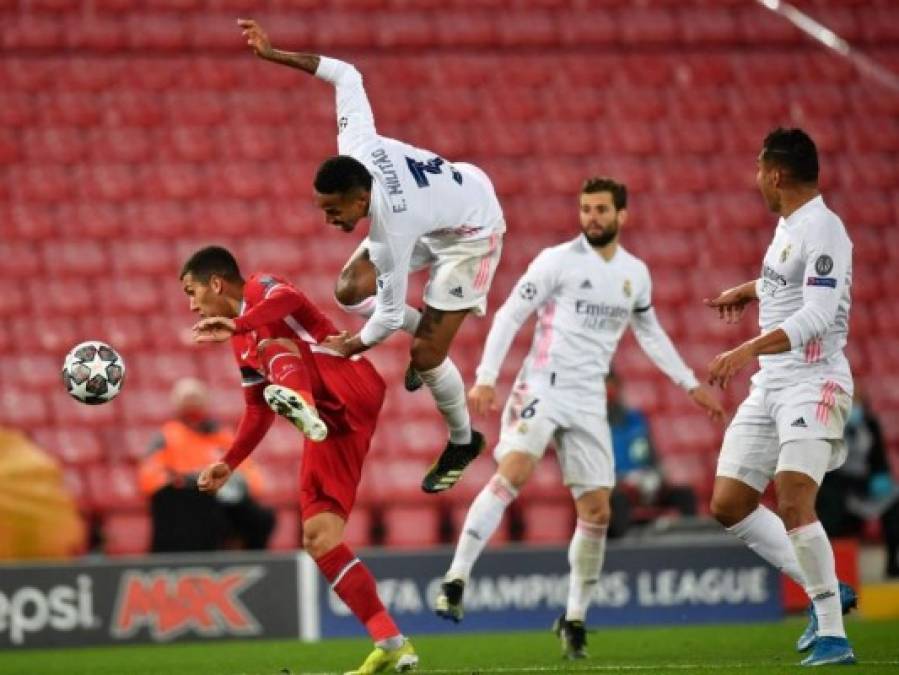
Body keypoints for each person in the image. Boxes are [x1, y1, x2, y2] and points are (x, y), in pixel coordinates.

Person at [433, 177, 724, 660]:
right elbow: (509, 314)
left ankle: (573, 619)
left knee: (598, 512)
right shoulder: (556, 261)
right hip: (543, 385)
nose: (591, 217)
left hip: (590, 399)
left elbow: (651, 335)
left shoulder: (635, 275)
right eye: (585, 208)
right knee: (517, 470)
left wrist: (690, 384)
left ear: (621, 216)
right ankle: (457, 577)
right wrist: (486, 377)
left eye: (601, 210)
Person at [238, 18, 506, 494]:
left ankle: (464, 441)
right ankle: (423, 318)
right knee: (348, 290)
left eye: (335, 211)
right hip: (442, 202)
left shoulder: (390, 231)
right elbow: (346, 74)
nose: (328, 221)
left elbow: (381, 319)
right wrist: (274, 53)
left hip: (472, 229)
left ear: (361, 200)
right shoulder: (355, 147)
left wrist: (353, 345)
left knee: (425, 354)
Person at [181, 246, 417, 674]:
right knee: (319, 536)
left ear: (216, 283)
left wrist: (239, 322)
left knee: (274, 342)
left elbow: (290, 301)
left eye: (192, 291)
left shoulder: (260, 288)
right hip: (333, 425)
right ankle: (391, 642)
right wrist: (229, 463)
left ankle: (302, 403)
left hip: (350, 378)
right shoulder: (241, 342)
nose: (192, 304)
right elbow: (257, 410)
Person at [705, 128, 857, 666]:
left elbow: (816, 316)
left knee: (793, 497)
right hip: (771, 384)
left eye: (757, 169)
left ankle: (834, 635)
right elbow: (785, 283)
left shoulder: (826, 230)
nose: (755, 180)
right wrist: (747, 292)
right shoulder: (790, 226)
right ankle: (828, 589)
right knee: (729, 503)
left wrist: (744, 349)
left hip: (814, 382)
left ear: (776, 175)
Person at [138, 377, 275, 553]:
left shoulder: (222, 435)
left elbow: (251, 475)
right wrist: (186, 481)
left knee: (262, 518)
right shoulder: (166, 436)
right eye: (187, 401)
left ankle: (254, 564)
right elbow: (149, 476)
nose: (192, 406)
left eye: (196, 400)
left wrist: (237, 483)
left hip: (222, 499)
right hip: (186, 500)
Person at [817, 394, 899, 578]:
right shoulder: (826, 425)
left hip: (865, 483)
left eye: (858, 402)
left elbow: (879, 457)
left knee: (894, 500)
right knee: (832, 508)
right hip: (837, 485)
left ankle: (892, 563)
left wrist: (880, 475)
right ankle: (835, 572)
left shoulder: (870, 424)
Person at [606, 371, 697, 536]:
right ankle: (622, 551)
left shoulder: (636, 419)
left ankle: (690, 543)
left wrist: (656, 474)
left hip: (645, 481)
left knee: (684, 495)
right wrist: (622, 481)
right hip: (616, 486)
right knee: (617, 500)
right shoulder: (596, 423)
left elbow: (651, 454)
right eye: (606, 385)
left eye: (613, 384)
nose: (609, 390)